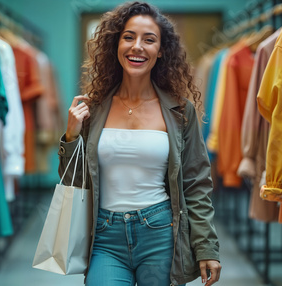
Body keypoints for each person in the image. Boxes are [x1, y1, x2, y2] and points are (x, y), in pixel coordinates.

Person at [58, 2, 221, 285]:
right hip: (105, 236)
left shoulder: (181, 112)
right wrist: (72, 136)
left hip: (160, 233)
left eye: (149, 40)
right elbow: (73, 182)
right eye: (129, 37)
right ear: (116, 44)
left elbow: (196, 183)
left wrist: (206, 247)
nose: (137, 47)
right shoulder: (93, 109)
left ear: (161, 51)